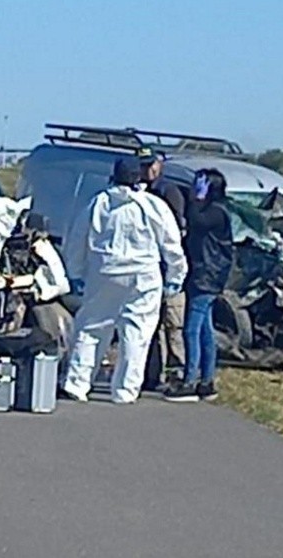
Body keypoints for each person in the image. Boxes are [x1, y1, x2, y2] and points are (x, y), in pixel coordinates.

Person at [59, 156, 188, 405]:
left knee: (92, 327)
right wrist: (176, 276)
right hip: (144, 276)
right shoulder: (153, 205)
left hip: (104, 272)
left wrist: (75, 273)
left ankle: (77, 383)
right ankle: (125, 390)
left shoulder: (99, 203)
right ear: (137, 177)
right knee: (137, 333)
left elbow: (77, 239)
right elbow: (172, 245)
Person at [164, 168, 233, 403]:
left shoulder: (216, 212)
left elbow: (195, 220)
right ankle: (207, 381)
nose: (194, 189)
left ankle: (190, 381)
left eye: (200, 185)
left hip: (207, 277)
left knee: (191, 329)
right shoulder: (213, 210)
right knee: (205, 330)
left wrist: (196, 200)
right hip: (203, 275)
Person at [136, 147, 188, 393]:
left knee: (173, 325)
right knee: (151, 326)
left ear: (160, 165)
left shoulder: (168, 192)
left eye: (151, 165)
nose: (147, 170)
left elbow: (178, 233)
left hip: (170, 269)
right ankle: (152, 374)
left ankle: (177, 373)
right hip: (148, 271)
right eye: (143, 165)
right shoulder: (137, 193)